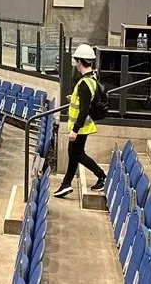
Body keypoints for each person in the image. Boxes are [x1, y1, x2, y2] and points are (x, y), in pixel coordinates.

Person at [54, 43, 107, 198]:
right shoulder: (91, 78)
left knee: (77, 154)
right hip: (83, 126)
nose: (75, 64)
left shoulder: (84, 83)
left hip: (81, 127)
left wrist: (75, 130)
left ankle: (102, 176)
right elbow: (85, 102)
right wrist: (73, 99)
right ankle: (66, 184)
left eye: (76, 61)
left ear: (79, 62)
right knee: (74, 154)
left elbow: (83, 110)